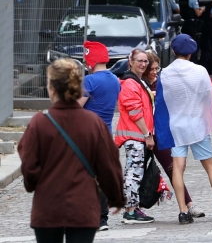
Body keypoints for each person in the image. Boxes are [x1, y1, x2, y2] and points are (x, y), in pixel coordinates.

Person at [19, 59, 125, 243]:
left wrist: (35, 184)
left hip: (48, 207)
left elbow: (29, 165)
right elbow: (108, 163)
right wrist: (115, 196)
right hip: (83, 207)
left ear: (52, 88)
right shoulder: (94, 123)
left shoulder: (39, 123)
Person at [153, 34, 212, 224]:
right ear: (191, 53)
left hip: (176, 127)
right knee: (210, 166)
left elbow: (160, 102)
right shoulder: (200, 71)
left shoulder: (165, 73)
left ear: (174, 51)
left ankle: (183, 211)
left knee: (178, 168)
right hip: (197, 125)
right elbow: (209, 97)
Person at [143, 51, 204, 219]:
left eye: (157, 68)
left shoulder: (162, 82)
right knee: (135, 171)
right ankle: (132, 209)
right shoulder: (138, 84)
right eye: (152, 69)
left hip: (161, 132)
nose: (155, 72)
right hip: (141, 132)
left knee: (172, 167)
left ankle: (188, 205)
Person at [77, 41, 119, 231]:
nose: (86, 65)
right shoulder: (114, 80)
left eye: (87, 61)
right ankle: (102, 219)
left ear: (91, 61)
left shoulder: (90, 80)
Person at [115, 49, 156, 224]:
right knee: (134, 172)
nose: (143, 64)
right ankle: (130, 211)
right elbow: (135, 112)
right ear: (130, 61)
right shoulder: (130, 83)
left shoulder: (136, 81)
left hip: (136, 136)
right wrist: (147, 135)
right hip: (135, 136)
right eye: (139, 60)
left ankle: (133, 207)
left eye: (145, 61)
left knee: (134, 171)